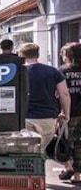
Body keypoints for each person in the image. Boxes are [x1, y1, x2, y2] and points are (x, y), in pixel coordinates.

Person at [20, 42, 71, 154]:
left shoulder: (18, 72)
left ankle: (31, 169)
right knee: (42, 150)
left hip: (25, 117)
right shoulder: (53, 71)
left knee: (28, 151)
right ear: (38, 54)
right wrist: (65, 114)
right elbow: (64, 94)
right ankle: (40, 168)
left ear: (21, 55)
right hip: (48, 117)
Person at [59, 42, 81, 182]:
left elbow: (60, 93)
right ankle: (78, 174)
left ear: (67, 55)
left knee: (67, 142)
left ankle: (70, 168)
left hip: (70, 112)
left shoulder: (62, 71)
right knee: (79, 143)